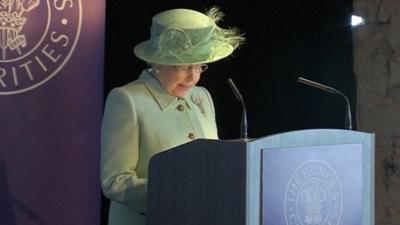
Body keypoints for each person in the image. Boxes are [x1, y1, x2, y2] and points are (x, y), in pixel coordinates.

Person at [100, 7, 244, 225]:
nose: (193, 77)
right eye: (184, 66)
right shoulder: (126, 99)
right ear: (158, 61)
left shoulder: (202, 97)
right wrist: (180, 193)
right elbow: (115, 182)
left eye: (200, 66)